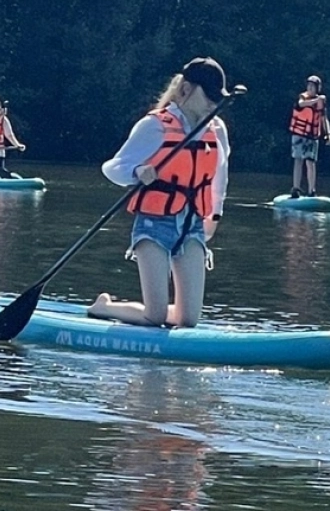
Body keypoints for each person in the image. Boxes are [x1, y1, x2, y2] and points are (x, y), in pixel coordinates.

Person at [88, 59, 231, 329]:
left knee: (188, 320)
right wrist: (138, 172)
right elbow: (113, 168)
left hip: (192, 225)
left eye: (217, 97)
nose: (214, 103)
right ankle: (104, 307)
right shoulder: (154, 126)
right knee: (154, 316)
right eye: (208, 95)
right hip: (154, 225)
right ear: (186, 89)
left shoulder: (217, 130)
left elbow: (219, 178)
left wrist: (214, 215)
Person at [287, 76, 330, 194]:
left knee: (310, 162)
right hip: (299, 134)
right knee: (298, 160)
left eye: (313, 86)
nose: (310, 88)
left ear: (318, 88)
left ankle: (312, 190)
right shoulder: (302, 97)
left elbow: (323, 118)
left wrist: (328, 134)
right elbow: (301, 104)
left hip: (312, 136)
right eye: (309, 86)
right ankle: (296, 188)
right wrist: (316, 100)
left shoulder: (321, 103)